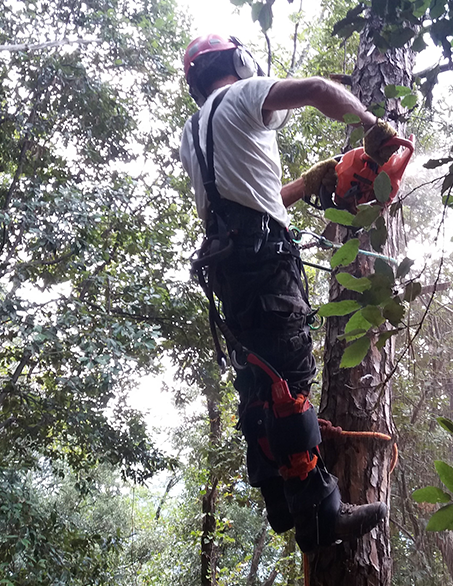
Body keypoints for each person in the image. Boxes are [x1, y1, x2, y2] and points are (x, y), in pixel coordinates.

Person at [178, 33, 397, 553]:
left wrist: (307, 181)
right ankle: (321, 514)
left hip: (229, 265)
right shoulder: (244, 93)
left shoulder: (193, 133)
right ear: (236, 61)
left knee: (261, 380)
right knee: (289, 379)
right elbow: (319, 88)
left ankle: (281, 499)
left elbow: (250, 199)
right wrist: (373, 129)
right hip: (264, 260)